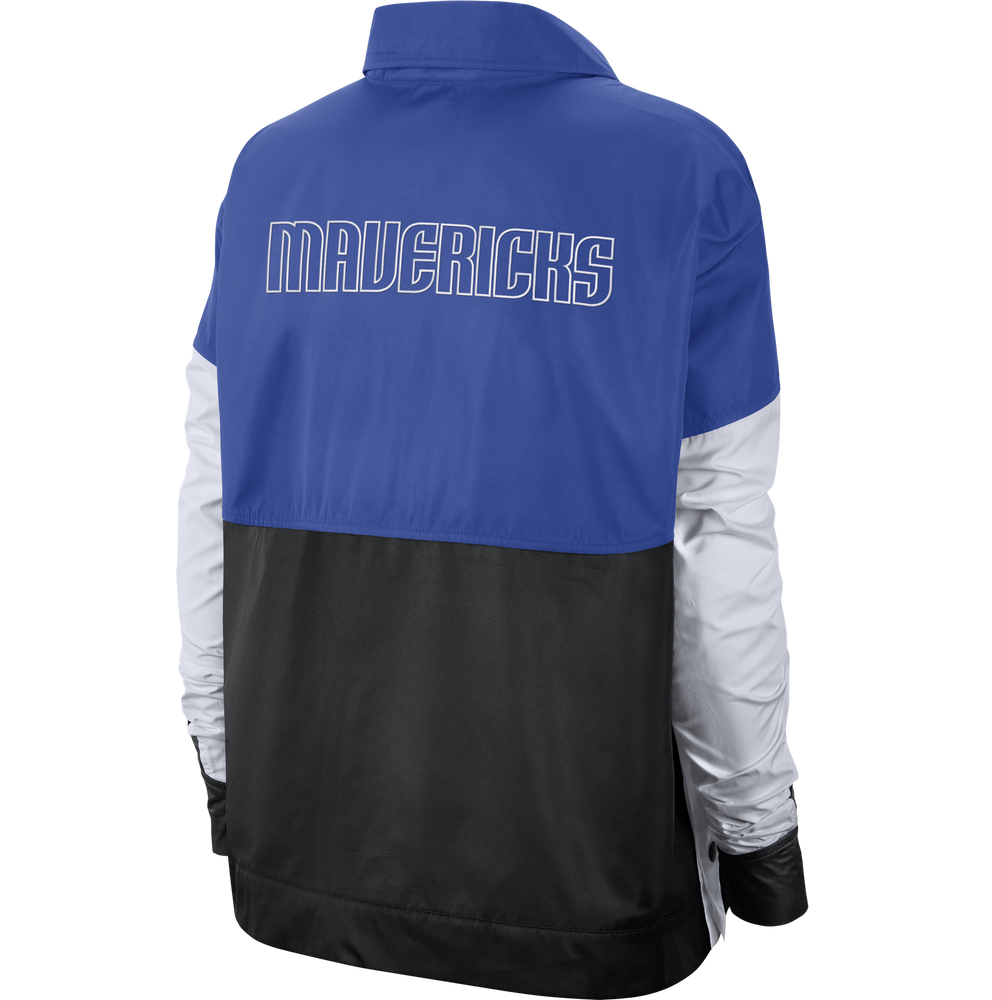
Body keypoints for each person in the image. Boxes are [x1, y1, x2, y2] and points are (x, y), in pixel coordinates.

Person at [173, 2, 809, 996]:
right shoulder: (682, 164)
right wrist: (761, 840)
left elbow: (208, 500)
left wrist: (223, 771)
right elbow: (720, 541)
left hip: (297, 875)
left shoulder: (268, 167)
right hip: (585, 899)